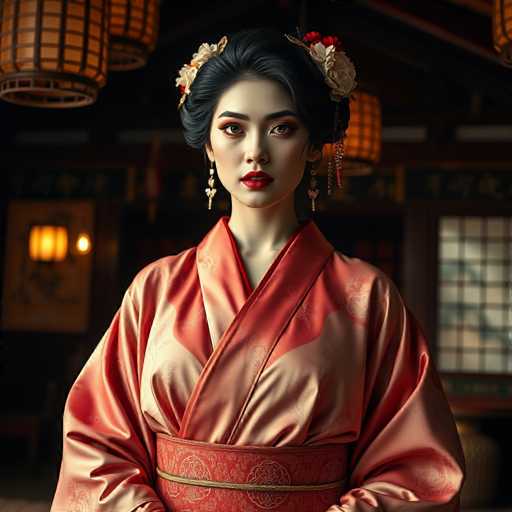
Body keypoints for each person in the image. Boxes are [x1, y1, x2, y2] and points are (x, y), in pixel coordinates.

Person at [51, 27, 465, 511]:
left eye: (282, 127)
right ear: (207, 145)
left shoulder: (366, 296)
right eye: (232, 128)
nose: (255, 151)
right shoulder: (156, 289)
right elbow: (96, 445)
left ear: (313, 145)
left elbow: (417, 468)